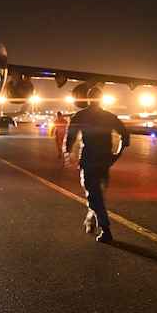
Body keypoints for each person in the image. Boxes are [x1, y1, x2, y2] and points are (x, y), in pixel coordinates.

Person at [64, 87, 130, 243]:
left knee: (93, 194)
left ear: (88, 99)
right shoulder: (109, 117)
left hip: (89, 159)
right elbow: (125, 136)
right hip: (104, 160)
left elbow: (70, 138)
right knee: (97, 194)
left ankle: (105, 229)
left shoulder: (81, 116)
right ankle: (90, 220)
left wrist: (69, 154)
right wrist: (116, 156)